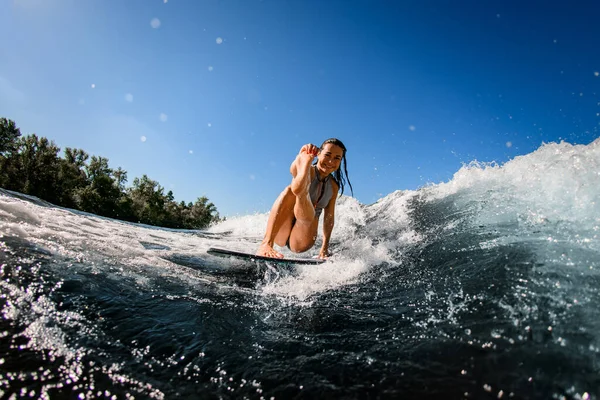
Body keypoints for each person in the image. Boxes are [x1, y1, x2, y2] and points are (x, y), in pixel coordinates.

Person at [256, 138, 353, 259]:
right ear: (318, 154)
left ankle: (302, 186)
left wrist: (324, 248)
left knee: (307, 211)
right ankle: (266, 244)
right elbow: (292, 171)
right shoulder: (311, 172)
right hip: (282, 232)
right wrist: (305, 164)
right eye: (327, 155)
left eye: (336, 158)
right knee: (289, 191)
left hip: (302, 238)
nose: (330, 161)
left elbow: (329, 218)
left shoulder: (333, 186)